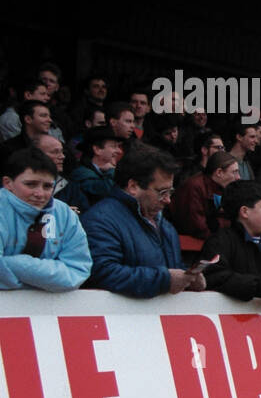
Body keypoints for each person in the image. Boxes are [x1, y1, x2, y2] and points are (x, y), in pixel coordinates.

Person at [81, 144, 205, 297]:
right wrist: (164, 280)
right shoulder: (100, 221)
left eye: (170, 192)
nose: (168, 200)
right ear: (133, 186)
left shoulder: (165, 226)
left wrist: (187, 279)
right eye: (162, 192)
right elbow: (103, 273)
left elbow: (172, 269)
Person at [0, 149, 93, 292]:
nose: (40, 194)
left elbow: (77, 271)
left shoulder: (65, 214)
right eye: (30, 184)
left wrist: (15, 264)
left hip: (47, 311)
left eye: (47, 186)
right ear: (8, 183)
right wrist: (44, 283)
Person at [170, 151, 239, 239]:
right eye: (234, 172)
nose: (238, 177)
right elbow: (197, 227)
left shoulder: (223, 188)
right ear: (219, 172)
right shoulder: (194, 188)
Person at [66, 126, 122, 208]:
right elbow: (102, 192)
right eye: (113, 146)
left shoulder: (106, 172)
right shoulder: (81, 174)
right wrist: (112, 171)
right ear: (97, 149)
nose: (119, 151)